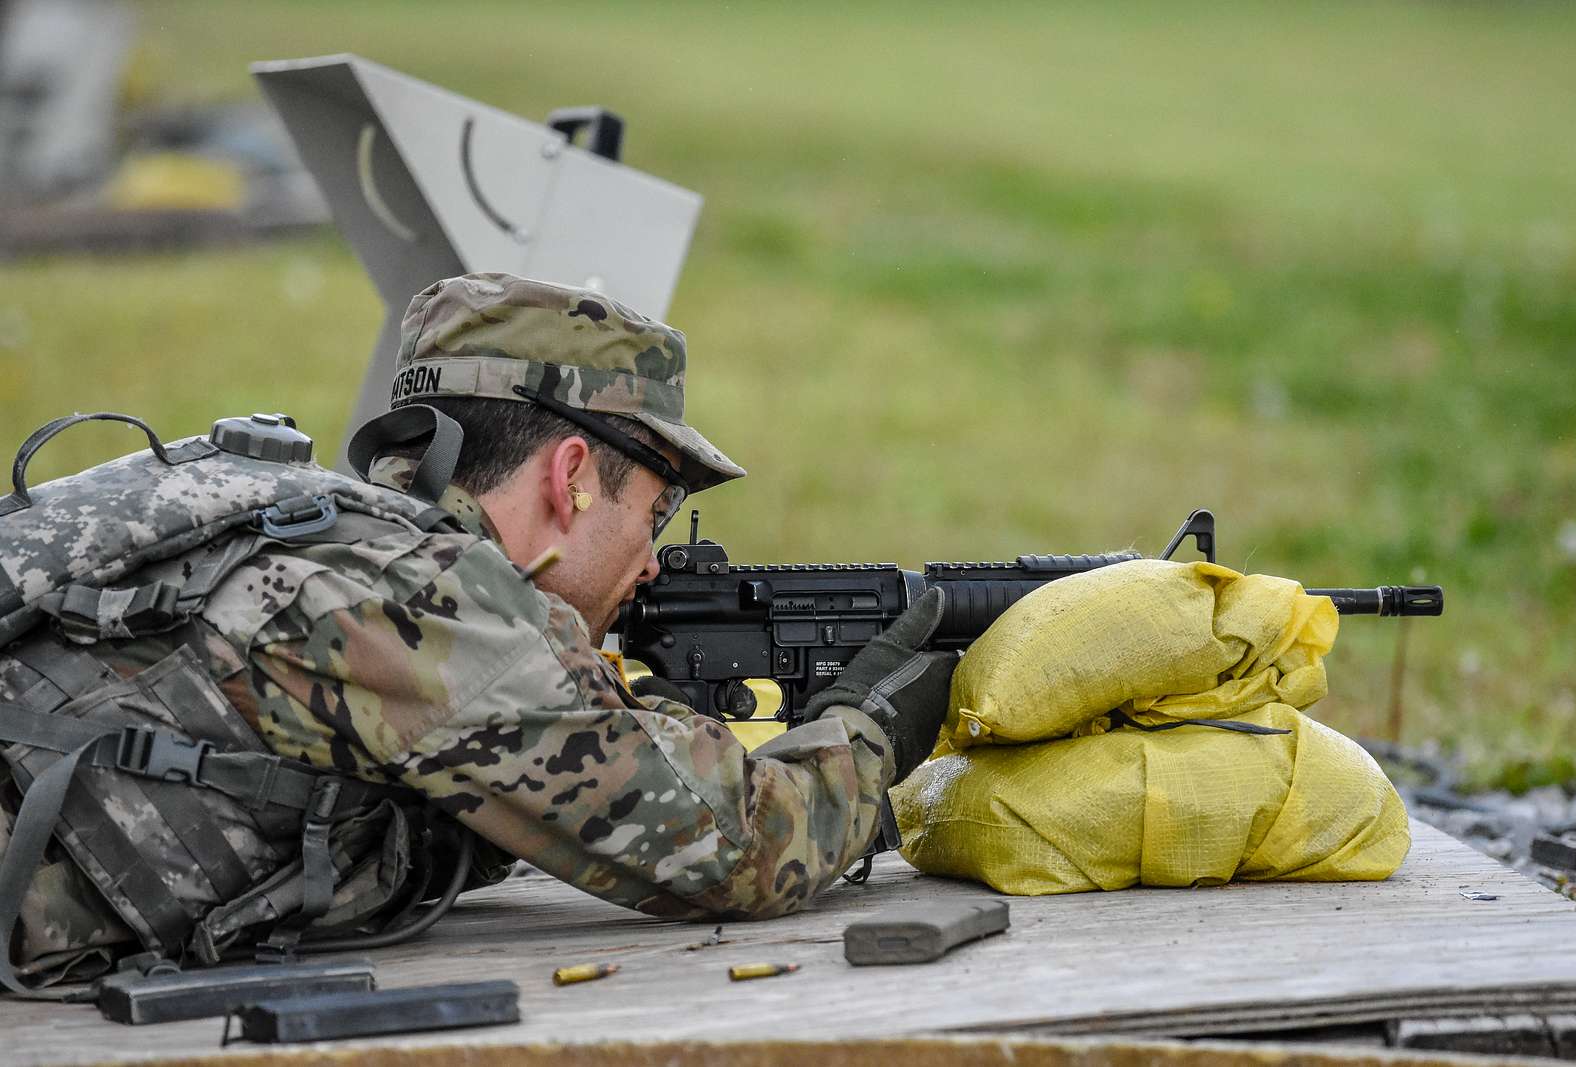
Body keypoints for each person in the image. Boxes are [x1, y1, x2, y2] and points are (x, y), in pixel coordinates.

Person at [0, 273, 954, 988]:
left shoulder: (325, 532)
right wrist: (873, 722)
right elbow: (743, 849)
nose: (654, 557)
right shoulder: (428, 604)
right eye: (654, 512)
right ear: (571, 473)